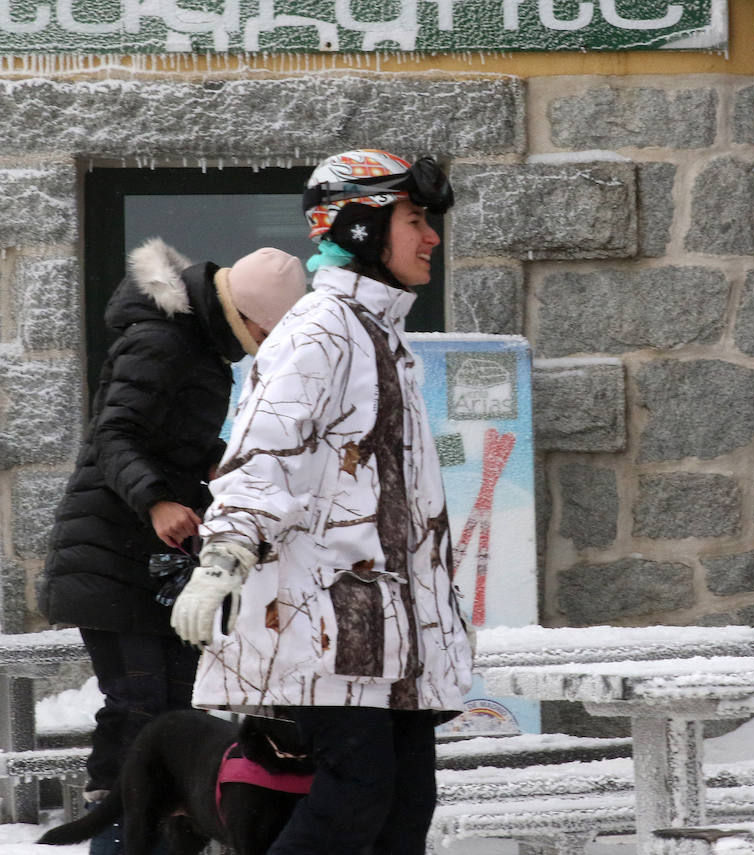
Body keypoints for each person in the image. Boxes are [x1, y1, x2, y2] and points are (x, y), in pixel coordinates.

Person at [169, 149, 473, 855]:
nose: (430, 237)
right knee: (355, 800)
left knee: (403, 807)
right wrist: (225, 554)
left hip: (395, 631)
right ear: (363, 226)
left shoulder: (382, 337)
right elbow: (264, 451)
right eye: (414, 219)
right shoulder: (319, 332)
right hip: (330, 623)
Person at [40, 239, 307, 855]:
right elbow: (115, 435)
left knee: (177, 710)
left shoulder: (196, 348)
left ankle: (156, 837)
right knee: (139, 708)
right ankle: (113, 835)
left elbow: (170, 439)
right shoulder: (161, 342)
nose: (269, 348)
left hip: (151, 563)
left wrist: (218, 466)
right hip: (110, 557)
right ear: (249, 318)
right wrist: (160, 499)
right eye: (270, 334)